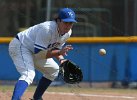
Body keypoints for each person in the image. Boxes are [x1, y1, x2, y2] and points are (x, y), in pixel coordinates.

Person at [9, 8, 77, 100]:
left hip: (35, 50)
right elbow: (40, 54)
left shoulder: (68, 33)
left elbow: (56, 49)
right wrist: (59, 52)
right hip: (21, 46)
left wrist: (61, 58)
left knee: (53, 70)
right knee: (29, 74)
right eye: (66, 22)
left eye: (71, 23)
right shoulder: (47, 29)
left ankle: (37, 98)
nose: (68, 26)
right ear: (58, 21)